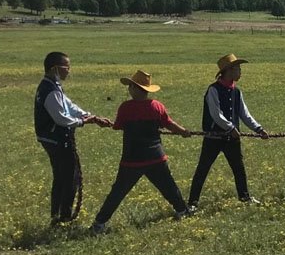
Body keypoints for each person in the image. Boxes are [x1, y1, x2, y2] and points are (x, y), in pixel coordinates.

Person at [90, 71, 192, 233]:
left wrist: (110, 123)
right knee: (169, 187)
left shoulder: (126, 107)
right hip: (156, 157)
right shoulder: (157, 106)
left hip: (132, 159)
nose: (129, 89)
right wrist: (184, 132)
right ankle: (182, 211)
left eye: (130, 86)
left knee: (118, 192)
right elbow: (169, 124)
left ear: (135, 89)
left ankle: (99, 223)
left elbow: (118, 126)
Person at [34, 51, 111, 225]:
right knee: (69, 178)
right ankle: (64, 217)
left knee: (62, 177)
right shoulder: (50, 90)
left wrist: (91, 116)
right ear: (55, 68)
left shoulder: (53, 86)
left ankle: (57, 215)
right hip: (56, 139)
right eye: (66, 67)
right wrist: (83, 122)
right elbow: (61, 118)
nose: (69, 70)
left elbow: (69, 106)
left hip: (51, 138)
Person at [187, 54, 267, 212]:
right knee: (203, 168)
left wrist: (258, 129)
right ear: (228, 70)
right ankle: (192, 202)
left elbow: (244, 113)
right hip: (214, 137)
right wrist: (230, 128)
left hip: (232, 138)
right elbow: (216, 114)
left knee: (239, 168)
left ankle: (244, 197)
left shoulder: (236, 91)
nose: (240, 72)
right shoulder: (213, 90)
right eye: (238, 68)